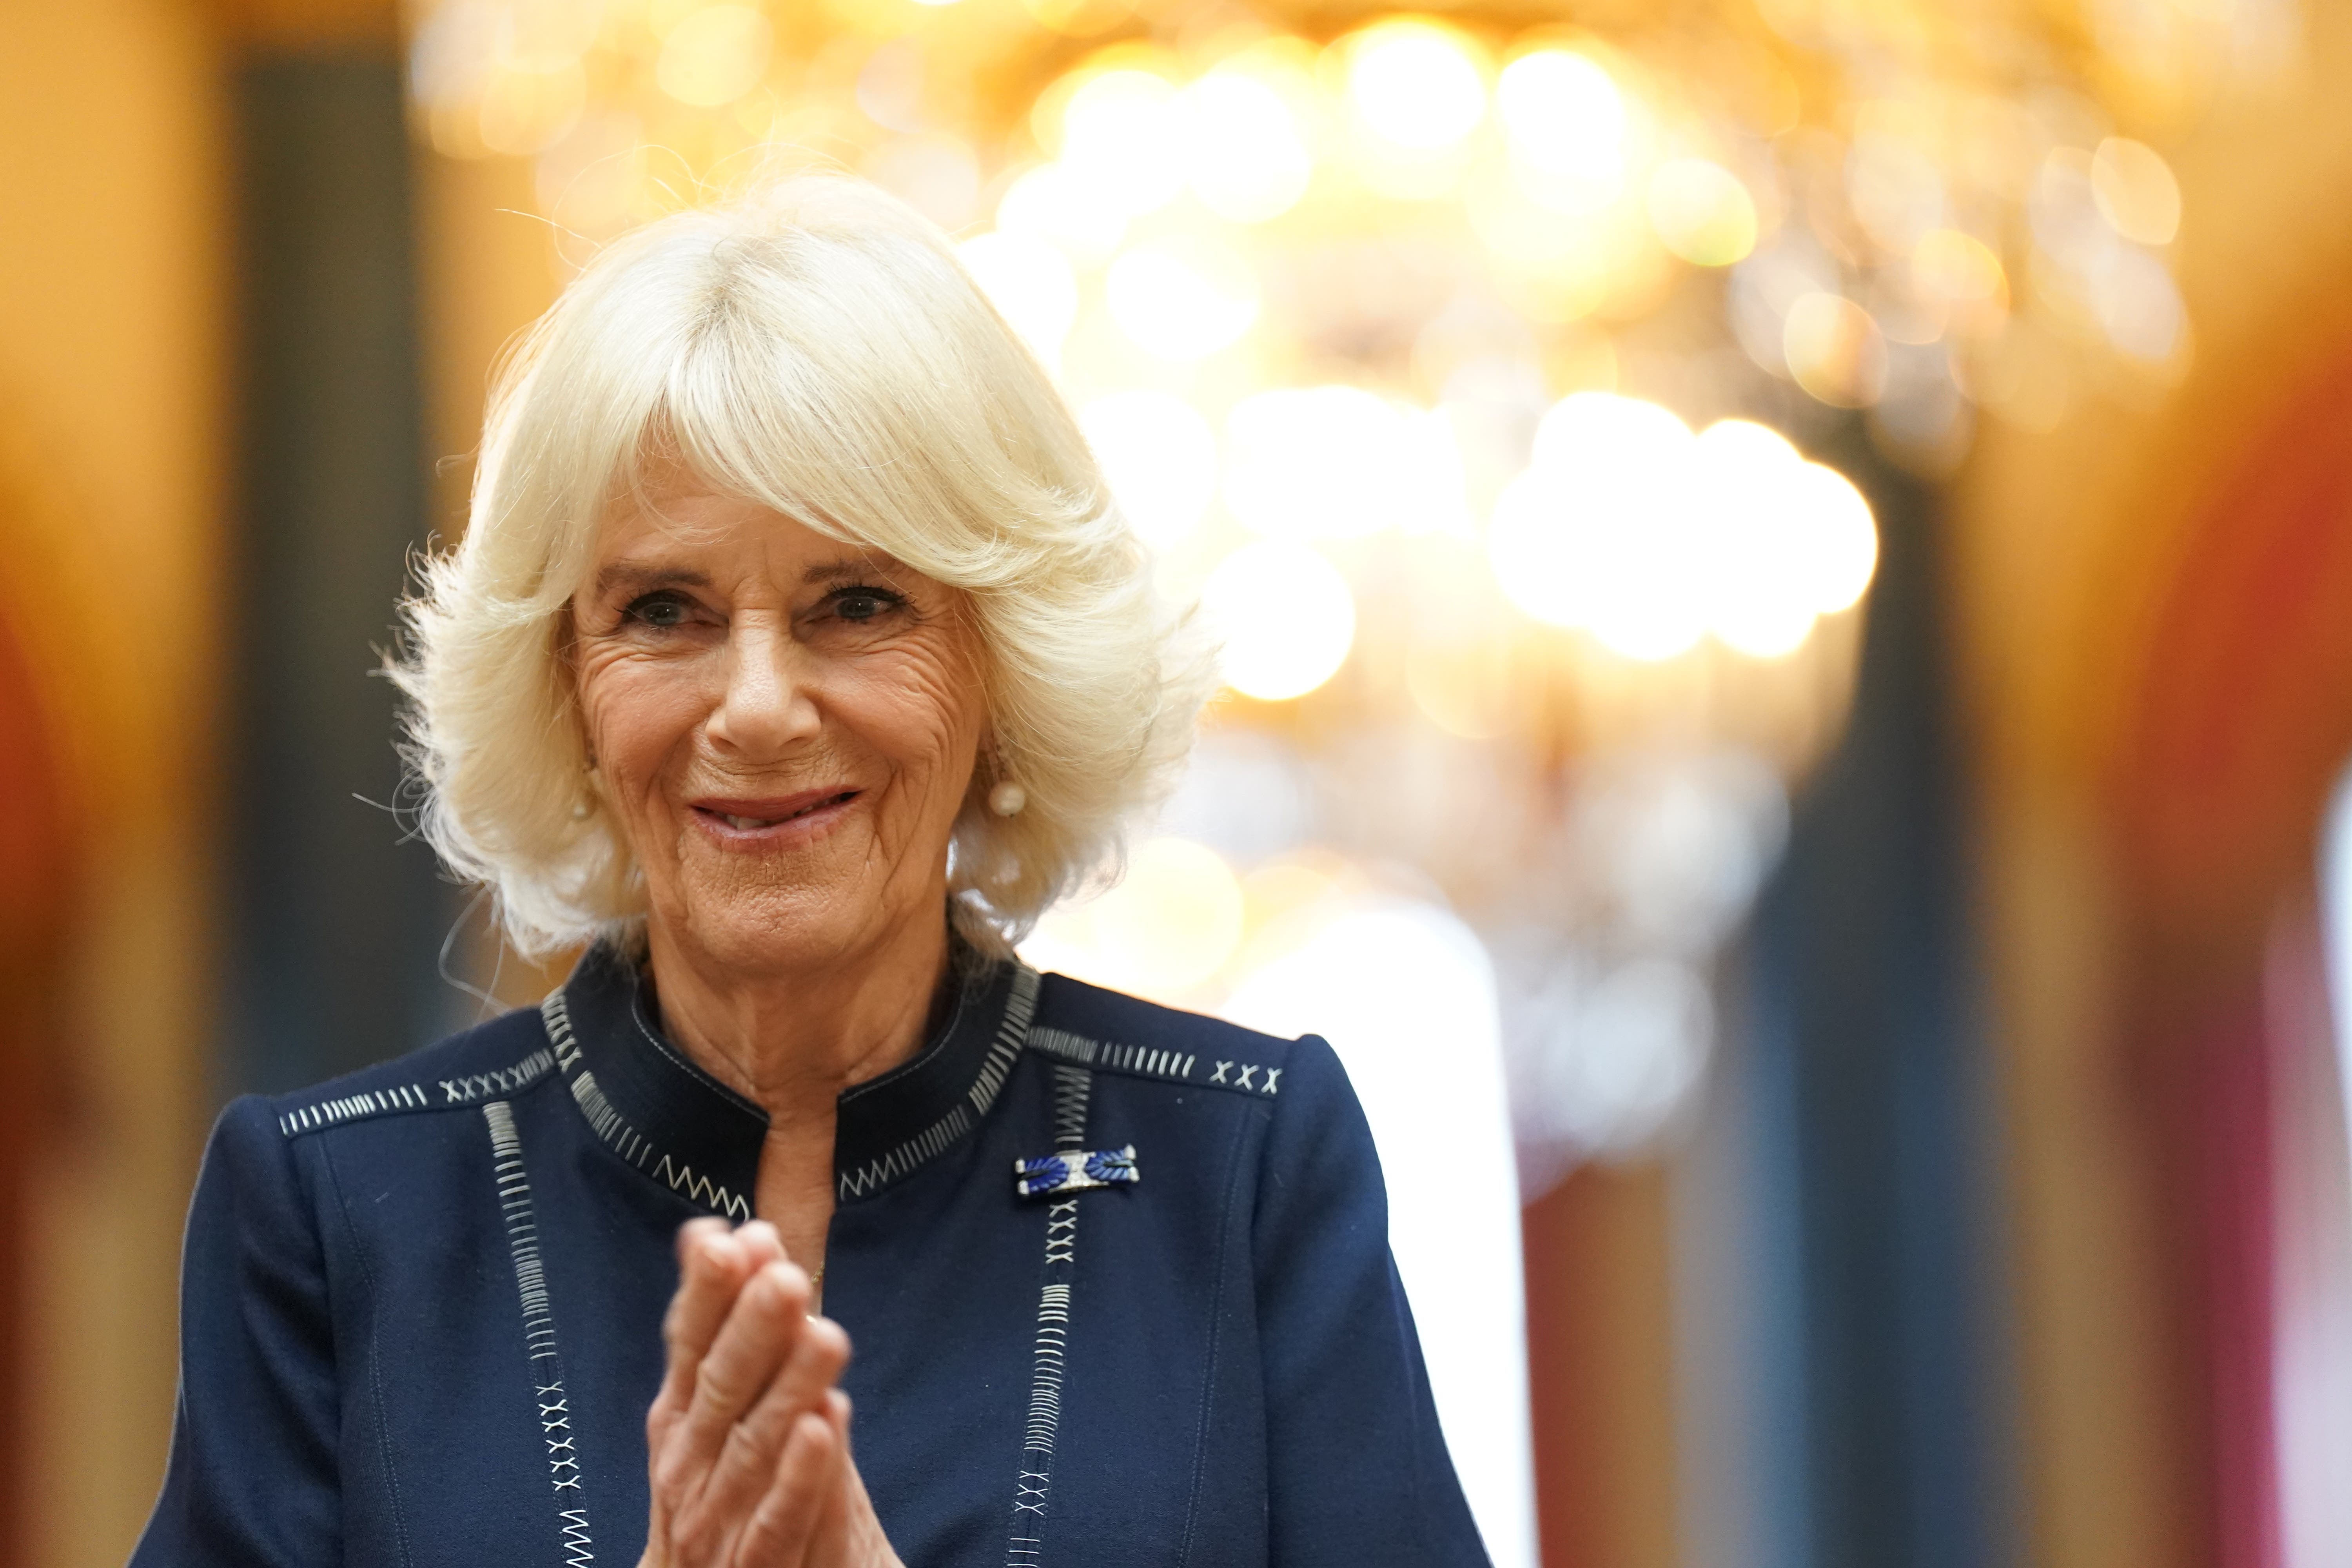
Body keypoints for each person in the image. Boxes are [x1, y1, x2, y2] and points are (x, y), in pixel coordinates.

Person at [132, 175, 1489, 1568]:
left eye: (859, 606)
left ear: (1003, 669)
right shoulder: (331, 1209)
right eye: (665, 612)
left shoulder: (1250, 1168)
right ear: (566, 692)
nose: (760, 707)